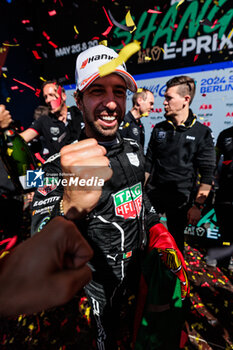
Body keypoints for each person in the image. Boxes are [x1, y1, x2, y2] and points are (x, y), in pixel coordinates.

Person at [30, 45, 188, 349]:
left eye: (118, 91)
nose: (111, 102)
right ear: (78, 99)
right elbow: (37, 245)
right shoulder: (52, 167)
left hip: (136, 282)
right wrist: (69, 210)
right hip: (92, 300)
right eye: (97, 91)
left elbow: (141, 199)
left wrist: (157, 228)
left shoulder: (132, 147)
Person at [145, 75, 216, 252]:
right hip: (153, 196)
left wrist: (198, 206)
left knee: (175, 246)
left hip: (181, 201)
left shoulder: (202, 133)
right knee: (144, 240)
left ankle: (174, 279)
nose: (164, 103)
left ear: (186, 99)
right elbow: (148, 164)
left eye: (169, 98)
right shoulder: (159, 128)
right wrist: (141, 194)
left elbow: (207, 174)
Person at [20, 80, 84, 160]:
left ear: (63, 96)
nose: (48, 100)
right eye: (45, 97)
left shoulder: (78, 113)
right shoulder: (44, 121)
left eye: (51, 95)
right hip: (61, 170)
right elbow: (21, 139)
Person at [214, 125, 233, 270]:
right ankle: (223, 266)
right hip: (226, 192)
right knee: (225, 233)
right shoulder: (224, 134)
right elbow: (214, 161)